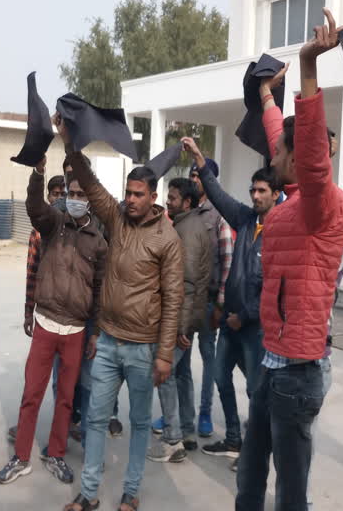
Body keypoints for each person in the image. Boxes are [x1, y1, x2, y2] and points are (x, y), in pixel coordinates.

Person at [235, 9, 343, 511]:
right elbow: (281, 138)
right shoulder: (291, 199)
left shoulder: (320, 206)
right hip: (272, 360)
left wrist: (308, 68)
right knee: (250, 473)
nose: (273, 155)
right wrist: (267, 93)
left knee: (290, 494)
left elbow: (303, 149)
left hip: (297, 371)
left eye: (279, 151)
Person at [58, 115, 183, 511]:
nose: (129, 199)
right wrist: (69, 142)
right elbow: (91, 185)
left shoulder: (168, 238)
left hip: (145, 349)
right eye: (127, 192)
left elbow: (173, 298)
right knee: (96, 419)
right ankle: (90, 493)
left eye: (137, 194)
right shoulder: (116, 219)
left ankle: (130, 492)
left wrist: (165, 354)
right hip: (109, 341)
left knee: (140, 423)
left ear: (153, 196)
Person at [0, 156, 107, 485]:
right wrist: (39, 173)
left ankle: (55, 454)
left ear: (91, 199)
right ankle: (21, 456)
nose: (75, 198)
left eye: (82, 194)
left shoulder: (98, 242)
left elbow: (99, 290)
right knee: (32, 392)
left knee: (66, 398)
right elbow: (33, 206)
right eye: (71, 193)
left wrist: (95, 333)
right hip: (46, 323)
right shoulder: (53, 222)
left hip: (76, 329)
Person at [191, 157, 280, 461]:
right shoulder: (245, 220)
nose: (255, 196)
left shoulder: (281, 233)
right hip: (231, 323)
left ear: (276, 194)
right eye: (253, 190)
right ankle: (232, 438)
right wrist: (202, 165)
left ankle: (254, 451)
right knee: (219, 376)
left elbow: (273, 288)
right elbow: (218, 195)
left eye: (262, 191)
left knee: (256, 392)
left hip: (256, 328)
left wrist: (244, 316)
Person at [157, 161, 233, 440]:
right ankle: (183, 423)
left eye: (200, 175)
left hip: (200, 306)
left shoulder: (212, 219)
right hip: (190, 308)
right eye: (193, 175)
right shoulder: (183, 222)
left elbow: (218, 267)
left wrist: (218, 306)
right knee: (181, 369)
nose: (168, 201)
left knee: (170, 367)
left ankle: (181, 427)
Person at [146, 178, 210, 463]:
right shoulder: (189, 225)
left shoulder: (187, 230)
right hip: (188, 318)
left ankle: (173, 440)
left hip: (181, 321)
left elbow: (188, 282)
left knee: (165, 373)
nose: (167, 201)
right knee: (181, 374)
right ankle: (186, 430)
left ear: (186, 202)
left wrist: (181, 327)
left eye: (172, 198)